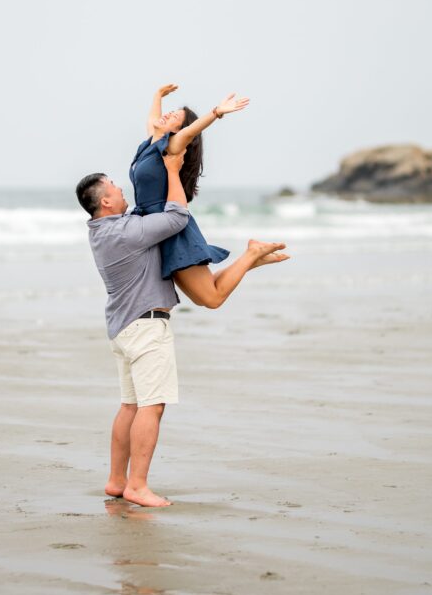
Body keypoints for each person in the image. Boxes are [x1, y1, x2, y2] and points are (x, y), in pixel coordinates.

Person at [76, 151, 190, 507]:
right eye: (115, 188)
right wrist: (172, 169)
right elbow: (177, 217)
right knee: (151, 406)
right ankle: (137, 486)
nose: (122, 191)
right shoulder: (125, 232)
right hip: (145, 326)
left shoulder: (103, 232)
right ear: (106, 201)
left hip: (123, 329)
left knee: (130, 405)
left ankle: (116, 480)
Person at [131, 83, 289, 307]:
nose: (167, 114)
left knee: (212, 299)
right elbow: (152, 120)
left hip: (171, 229)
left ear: (177, 130)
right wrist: (157, 95)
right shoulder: (150, 144)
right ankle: (251, 259)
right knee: (203, 296)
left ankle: (251, 253)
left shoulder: (172, 145)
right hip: (157, 228)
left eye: (174, 116)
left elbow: (191, 131)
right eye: (170, 112)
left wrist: (216, 112)